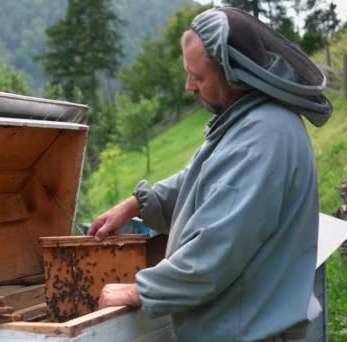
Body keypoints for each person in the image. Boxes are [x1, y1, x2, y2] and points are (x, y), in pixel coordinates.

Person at [88, 7, 333, 342]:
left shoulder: (263, 137)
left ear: (235, 74)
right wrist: (136, 204)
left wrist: (139, 291)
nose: (189, 85)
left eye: (199, 77)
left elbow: (217, 251)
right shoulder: (249, 122)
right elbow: (201, 181)